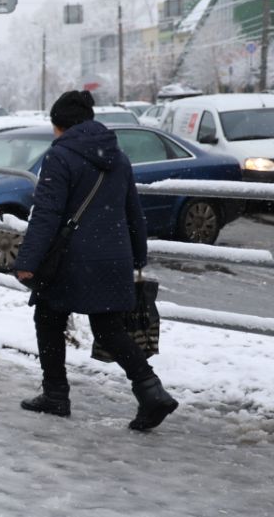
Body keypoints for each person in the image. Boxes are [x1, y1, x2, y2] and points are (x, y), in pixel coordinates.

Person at [14, 90, 178, 432]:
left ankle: (56, 394)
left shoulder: (59, 157)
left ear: (60, 125)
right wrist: (137, 256)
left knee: (47, 317)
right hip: (112, 256)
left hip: (71, 259)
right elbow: (133, 210)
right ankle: (151, 391)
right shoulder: (117, 156)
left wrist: (27, 260)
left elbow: (46, 213)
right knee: (109, 328)